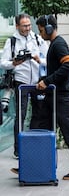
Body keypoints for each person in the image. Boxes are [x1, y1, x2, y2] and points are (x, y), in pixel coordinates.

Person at [34, 15, 69, 180]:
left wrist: (47, 81)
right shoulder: (54, 44)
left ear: (49, 28)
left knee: (68, 131)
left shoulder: (58, 44)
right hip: (54, 94)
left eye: (42, 30)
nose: (40, 33)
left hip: (61, 96)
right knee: (42, 127)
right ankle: (32, 163)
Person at [0, 13, 48, 159]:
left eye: (29, 25)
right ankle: (18, 149)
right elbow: (3, 63)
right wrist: (14, 63)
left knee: (38, 113)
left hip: (37, 82)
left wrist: (39, 60)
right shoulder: (12, 41)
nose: (27, 28)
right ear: (17, 26)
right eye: (24, 26)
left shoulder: (37, 38)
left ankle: (33, 143)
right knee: (20, 115)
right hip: (21, 81)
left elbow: (48, 59)